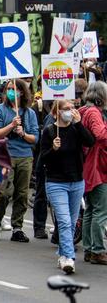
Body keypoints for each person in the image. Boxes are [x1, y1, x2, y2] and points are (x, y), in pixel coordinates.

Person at [37, 99, 94, 273]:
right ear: (56, 112)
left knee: (71, 222)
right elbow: (42, 159)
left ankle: (63, 254)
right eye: (66, 109)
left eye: (72, 108)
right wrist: (53, 149)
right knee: (63, 220)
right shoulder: (49, 131)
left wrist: (79, 124)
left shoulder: (76, 128)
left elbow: (90, 142)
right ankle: (69, 257)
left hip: (76, 181)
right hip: (56, 182)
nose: (70, 111)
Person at [0, 78, 39, 242]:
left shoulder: (29, 113)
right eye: (8, 89)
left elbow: (35, 138)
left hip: (24, 156)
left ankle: (17, 227)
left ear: (22, 92)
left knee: (22, 194)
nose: (11, 92)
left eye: (14, 89)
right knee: (3, 192)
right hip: (5, 155)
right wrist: (11, 126)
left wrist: (23, 133)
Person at [79, 81, 107, 265]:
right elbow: (101, 136)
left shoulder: (83, 110)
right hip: (97, 166)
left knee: (90, 209)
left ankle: (89, 249)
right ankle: (98, 250)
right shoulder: (94, 113)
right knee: (100, 210)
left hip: (87, 165)